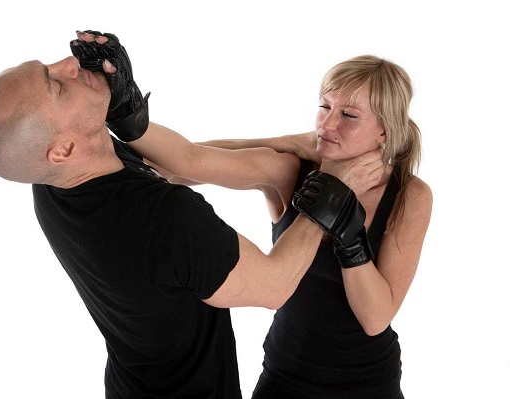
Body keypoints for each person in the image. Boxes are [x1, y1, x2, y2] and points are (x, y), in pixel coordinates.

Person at [0, 30, 383, 399]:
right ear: (62, 151)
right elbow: (274, 286)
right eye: (55, 85)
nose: (70, 64)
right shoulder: (164, 219)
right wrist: (329, 193)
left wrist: (127, 110)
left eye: (48, 66)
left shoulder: (54, 182)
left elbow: (181, 162)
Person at [128, 54, 432, 397]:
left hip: (369, 384)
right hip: (285, 376)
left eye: (348, 115)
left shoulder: (409, 196)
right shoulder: (291, 171)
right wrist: (286, 141)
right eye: (324, 106)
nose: (327, 125)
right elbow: (182, 166)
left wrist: (349, 234)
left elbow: (375, 318)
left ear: (384, 131)